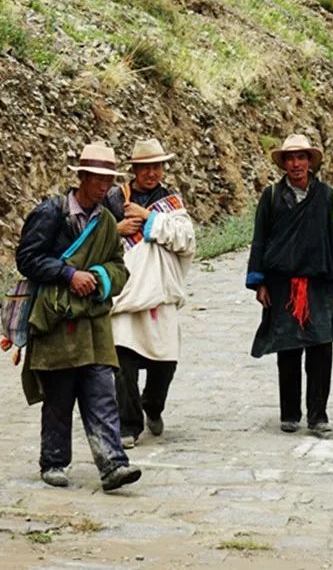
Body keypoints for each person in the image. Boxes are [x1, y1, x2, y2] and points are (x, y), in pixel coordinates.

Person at [15, 142, 140, 491]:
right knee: (59, 394)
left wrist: (100, 277)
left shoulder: (106, 222)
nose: (104, 187)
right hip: (56, 320)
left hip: (93, 322)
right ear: (81, 177)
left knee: (102, 391)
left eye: (109, 180)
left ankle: (113, 463)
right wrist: (69, 275)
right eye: (98, 179)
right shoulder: (50, 213)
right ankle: (53, 461)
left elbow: (118, 267)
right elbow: (27, 259)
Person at [245, 134, 333, 435]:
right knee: (288, 349)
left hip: (320, 285)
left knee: (321, 349)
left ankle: (318, 415)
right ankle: (290, 413)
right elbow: (259, 240)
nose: (296, 164)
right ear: (284, 164)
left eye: (302, 158)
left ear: (310, 161)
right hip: (282, 285)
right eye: (290, 159)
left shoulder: (331, 197)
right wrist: (259, 283)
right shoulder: (270, 197)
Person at [105, 139, 195, 449]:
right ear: (135, 170)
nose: (152, 173)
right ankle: (128, 425)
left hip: (160, 294)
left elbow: (186, 239)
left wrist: (149, 218)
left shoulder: (170, 203)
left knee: (164, 362)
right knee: (122, 362)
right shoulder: (113, 200)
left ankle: (153, 406)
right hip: (126, 297)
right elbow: (95, 236)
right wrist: (117, 231)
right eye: (146, 167)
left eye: (157, 167)